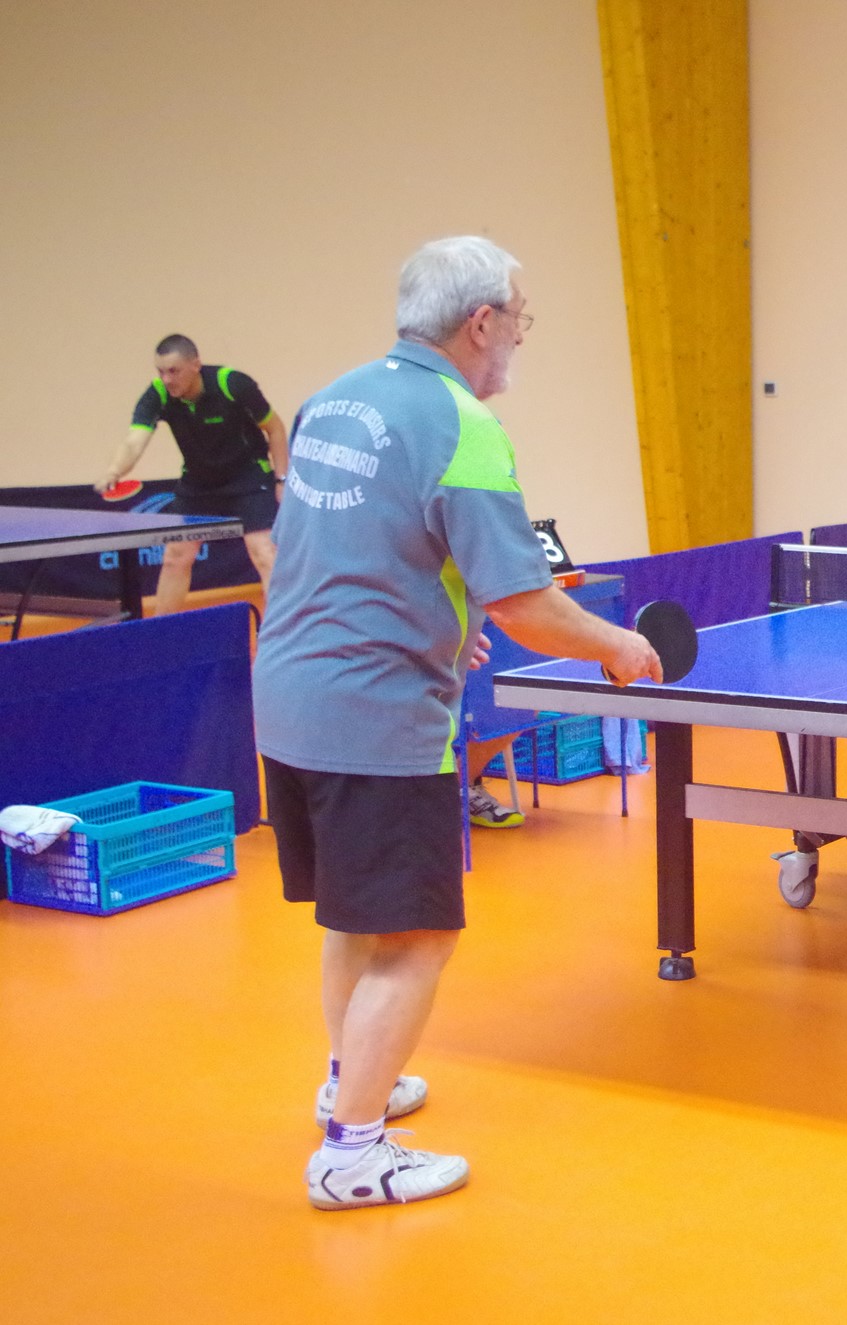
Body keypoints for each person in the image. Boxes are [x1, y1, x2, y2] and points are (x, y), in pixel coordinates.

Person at [252, 236, 663, 1210]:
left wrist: (443, 622)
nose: (522, 332)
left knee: (355, 917)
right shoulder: (463, 424)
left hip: (289, 694)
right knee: (419, 935)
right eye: (519, 314)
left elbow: (342, 548)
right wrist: (617, 645)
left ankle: (351, 1078)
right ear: (481, 322)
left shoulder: (333, 400)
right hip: (377, 714)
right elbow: (525, 603)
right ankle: (352, 1153)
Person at [98, 335, 288, 613]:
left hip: (248, 477)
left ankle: (278, 631)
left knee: (264, 552)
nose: (167, 379)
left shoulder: (231, 384)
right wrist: (114, 471)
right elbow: (134, 441)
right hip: (199, 483)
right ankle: (160, 630)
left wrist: (281, 479)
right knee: (175, 556)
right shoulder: (158, 394)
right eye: (161, 372)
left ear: (195, 365)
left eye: (173, 371)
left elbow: (275, 428)